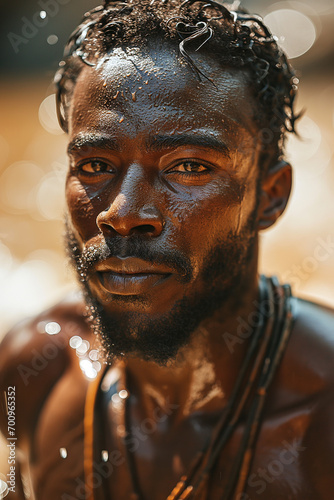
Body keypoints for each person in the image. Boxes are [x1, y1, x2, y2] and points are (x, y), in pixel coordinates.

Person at [1, 0, 334, 498]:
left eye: (189, 167)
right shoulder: (32, 372)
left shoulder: (322, 422)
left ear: (270, 196)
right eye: (94, 165)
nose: (122, 213)